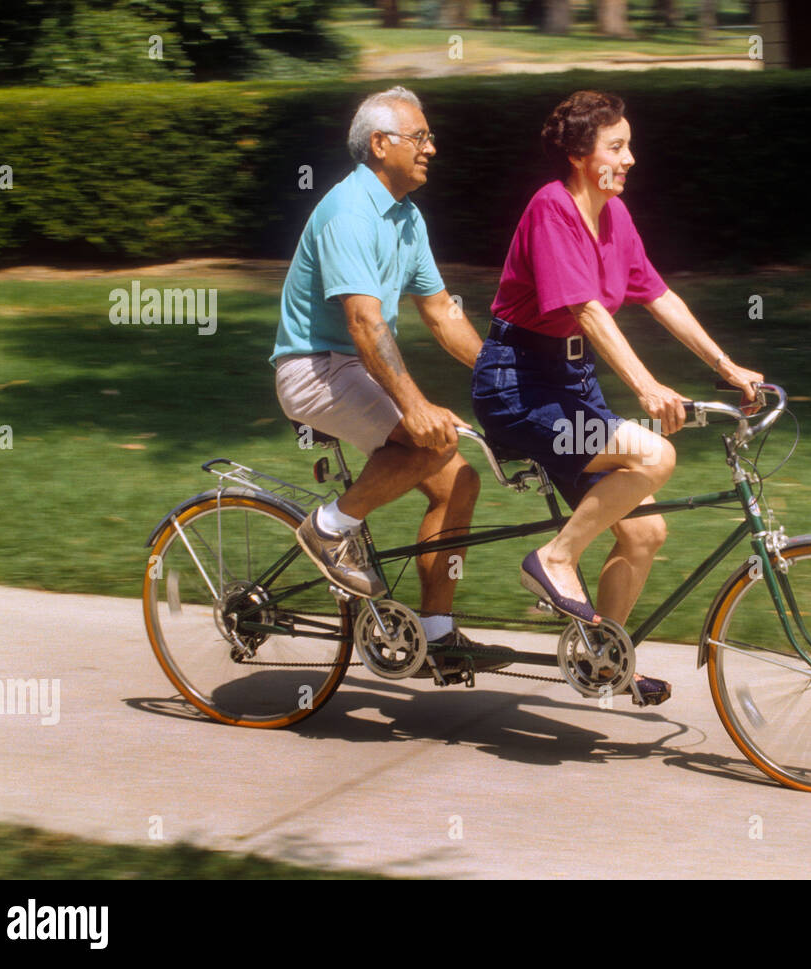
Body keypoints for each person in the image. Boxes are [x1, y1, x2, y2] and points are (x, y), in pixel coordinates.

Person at [471, 90, 762, 704]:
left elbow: (658, 297)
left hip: (570, 386)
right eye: (616, 147)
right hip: (518, 387)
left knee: (645, 532)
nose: (630, 158)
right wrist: (647, 387)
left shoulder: (615, 216)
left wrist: (728, 365)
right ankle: (553, 560)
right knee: (655, 456)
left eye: (628, 146)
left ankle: (605, 656)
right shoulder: (552, 209)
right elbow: (586, 310)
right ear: (581, 156)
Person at [272, 86, 509, 671]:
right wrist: (415, 405)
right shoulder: (349, 211)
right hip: (313, 366)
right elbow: (361, 320)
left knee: (459, 483)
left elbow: (441, 312)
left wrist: (502, 377)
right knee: (433, 441)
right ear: (380, 145)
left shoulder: (406, 217)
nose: (433, 146)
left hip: (351, 365)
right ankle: (329, 527)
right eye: (420, 137)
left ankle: (437, 635)